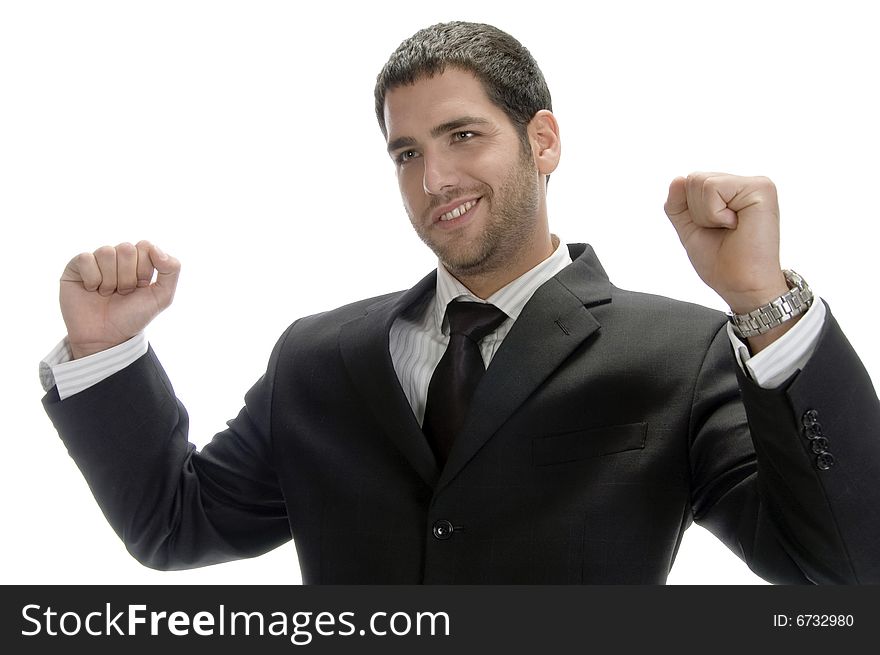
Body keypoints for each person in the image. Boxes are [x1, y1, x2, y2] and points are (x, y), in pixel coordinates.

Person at [40, 21, 880, 584]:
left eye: (462, 136)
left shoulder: (680, 353)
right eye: (405, 152)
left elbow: (841, 567)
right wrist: (105, 353)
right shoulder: (318, 356)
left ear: (542, 140)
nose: (433, 178)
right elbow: (175, 525)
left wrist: (763, 303)